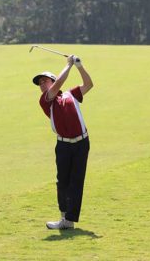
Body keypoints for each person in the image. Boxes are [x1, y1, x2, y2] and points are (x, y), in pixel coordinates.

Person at [32, 55, 93, 229]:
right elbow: (58, 84)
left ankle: (70, 221)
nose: (42, 85)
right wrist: (69, 65)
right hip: (63, 144)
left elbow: (89, 85)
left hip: (82, 142)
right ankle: (64, 218)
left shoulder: (70, 94)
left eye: (45, 81)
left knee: (77, 181)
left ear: (52, 80)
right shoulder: (45, 101)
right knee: (63, 181)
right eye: (40, 83)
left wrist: (80, 66)